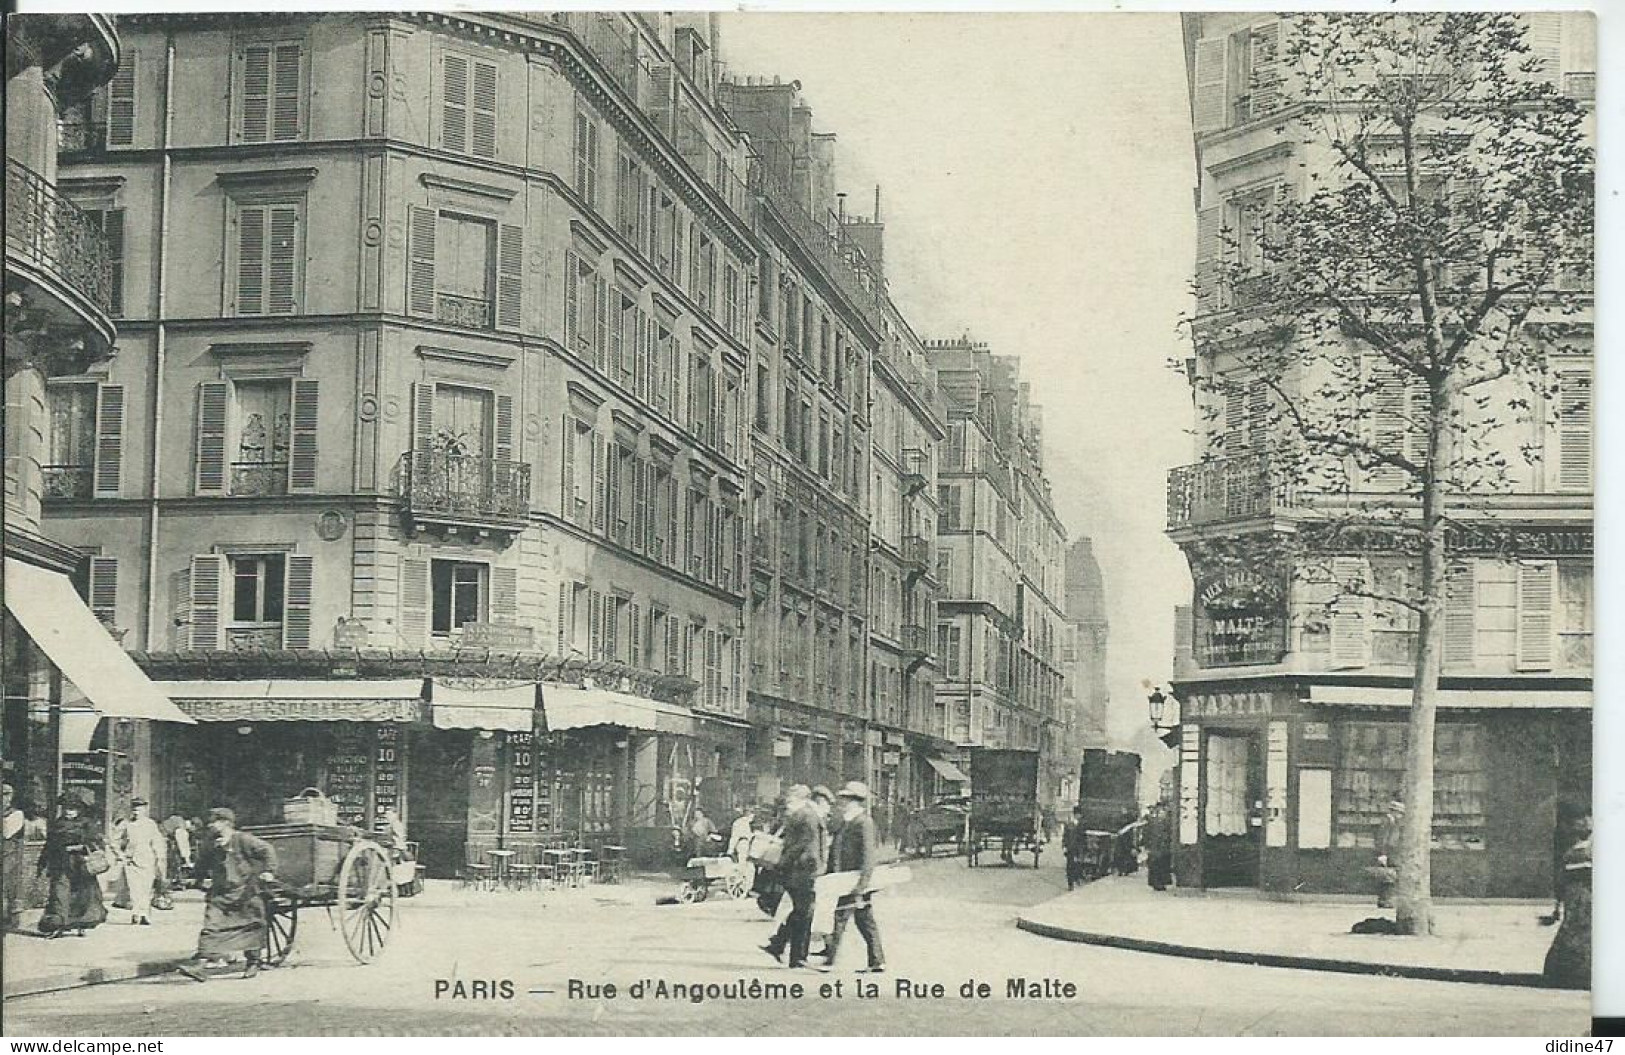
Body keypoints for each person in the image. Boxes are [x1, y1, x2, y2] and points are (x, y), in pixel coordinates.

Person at [176, 808, 278, 981]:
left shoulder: (243, 840)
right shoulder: (210, 844)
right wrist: (196, 879)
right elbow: (202, 864)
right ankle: (200, 965)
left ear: (226, 823)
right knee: (211, 925)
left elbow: (267, 850)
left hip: (245, 891)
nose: (210, 825)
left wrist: (269, 871)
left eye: (214, 821)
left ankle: (253, 961)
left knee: (252, 924)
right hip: (221, 893)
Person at [820, 782, 885, 974]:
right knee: (864, 920)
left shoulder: (863, 823)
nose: (843, 803)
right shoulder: (847, 822)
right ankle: (877, 961)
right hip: (844, 880)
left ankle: (831, 961)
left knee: (840, 917)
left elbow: (868, 857)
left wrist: (861, 886)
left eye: (847, 800)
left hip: (854, 882)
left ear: (857, 802)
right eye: (843, 799)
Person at [761, 784, 827, 968]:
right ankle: (795, 955)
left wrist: (784, 862)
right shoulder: (803, 815)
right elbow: (800, 845)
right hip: (801, 871)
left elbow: (804, 845)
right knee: (804, 912)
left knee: (802, 911)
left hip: (803, 869)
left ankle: (780, 945)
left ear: (802, 800)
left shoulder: (804, 816)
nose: (788, 803)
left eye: (792, 799)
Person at [36, 789, 107, 938]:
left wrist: (76, 848)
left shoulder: (87, 824)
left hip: (80, 865)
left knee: (82, 896)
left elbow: (95, 843)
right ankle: (58, 925)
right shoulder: (57, 824)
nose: (69, 812)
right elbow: (49, 844)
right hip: (60, 864)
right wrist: (42, 863)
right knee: (59, 894)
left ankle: (80, 924)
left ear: (79, 809)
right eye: (67, 808)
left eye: (72, 809)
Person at [1543, 811, 1591, 988]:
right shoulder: (1576, 851)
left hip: (1581, 900)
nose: (1585, 822)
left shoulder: (1579, 850)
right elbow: (1563, 880)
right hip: (1578, 899)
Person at [115, 798, 168, 926]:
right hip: (131, 860)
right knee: (134, 889)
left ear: (145, 809)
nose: (136, 812)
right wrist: (120, 854)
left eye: (139, 809)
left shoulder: (150, 824)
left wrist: (159, 857)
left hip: (148, 859)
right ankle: (136, 914)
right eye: (134, 809)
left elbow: (157, 841)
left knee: (146, 888)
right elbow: (114, 840)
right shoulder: (126, 824)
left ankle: (144, 914)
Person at [3, 784, 29, 930]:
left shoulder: (16, 814)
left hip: (10, 856)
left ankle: (12, 919)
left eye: (6, 795)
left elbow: (7, 833)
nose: (4, 799)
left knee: (10, 886)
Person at [1375, 799, 1404, 910]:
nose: (1400, 816)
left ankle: (1387, 900)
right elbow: (1383, 839)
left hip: (1392, 853)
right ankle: (1385, 900)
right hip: (1389, 853)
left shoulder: (1393, 822)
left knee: (1389, 877)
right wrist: (1382, 854)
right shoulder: (1387, 822)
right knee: (1388, 877)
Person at [1144, 803, 1174, 892]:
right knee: (1155, 865)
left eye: (1163, 811)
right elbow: (1147, 833)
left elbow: (1169, 833)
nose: (1161, 813)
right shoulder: (1152, 821)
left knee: (1163, 865)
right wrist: (1147, 845)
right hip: (1155, 846)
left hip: (1163, 846)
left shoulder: (1167, 821)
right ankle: (1155, 883)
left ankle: (1162, 882)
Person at [1061, 806, 1086, 890]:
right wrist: (1064, 846)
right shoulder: (1069, 825)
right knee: (1070, 866)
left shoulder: (1082, 824)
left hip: (1078, 848)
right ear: (1075, 815)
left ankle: (1077, 879)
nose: (1078, 816)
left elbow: (1083, 837)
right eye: (1077, 814)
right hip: (1071, 848)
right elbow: (1065, 836)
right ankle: (1070, 883)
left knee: (1078, 864)